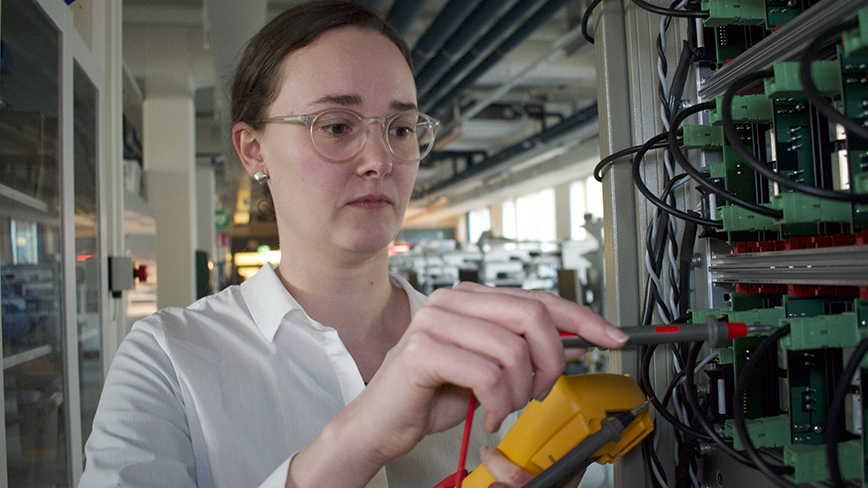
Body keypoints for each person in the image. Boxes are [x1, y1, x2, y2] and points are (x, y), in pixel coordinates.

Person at [79, 2, 628, 487]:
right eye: (336, 126)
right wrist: (358, 440)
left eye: (401, 127)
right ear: (253, 151)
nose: (380, 159)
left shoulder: (491, 351)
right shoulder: (168, 360)